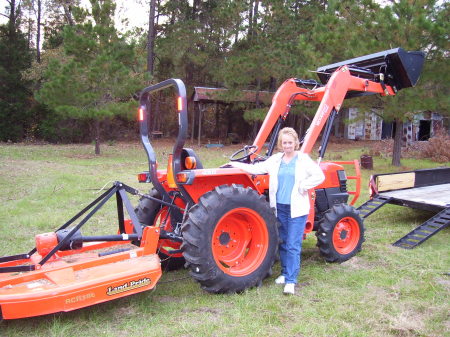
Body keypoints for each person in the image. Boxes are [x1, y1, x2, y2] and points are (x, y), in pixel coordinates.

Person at [228, 127, 325, 295]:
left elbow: (319, 176)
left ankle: (291, 280)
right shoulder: (275, 159)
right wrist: (235, 164)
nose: (287, 145)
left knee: (293, 245)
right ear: (281, 144)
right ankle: (285, 273)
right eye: (284, 142)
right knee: (283, 242)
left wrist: (303, 186)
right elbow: (257, 169)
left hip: (297, 209)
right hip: (279, 208)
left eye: (290, 142)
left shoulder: (302, 159)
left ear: (296, 143)